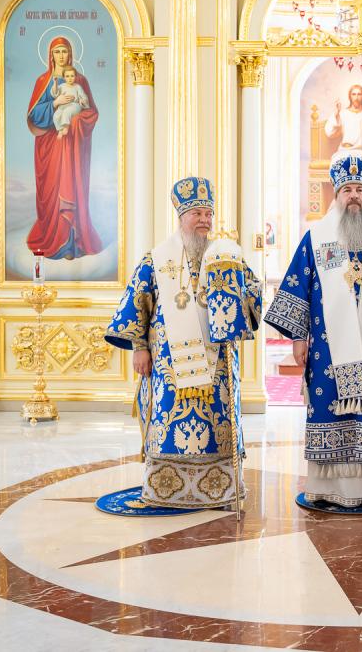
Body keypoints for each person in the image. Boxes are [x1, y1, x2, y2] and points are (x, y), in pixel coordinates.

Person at [105, 178, 262, 508]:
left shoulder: (226, 255)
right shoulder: (156, 259)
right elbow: (137, 302)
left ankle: (220, 489)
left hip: (217, 362)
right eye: (197, 214)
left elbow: (253, 293)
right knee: (167, 421)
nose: (205, 220)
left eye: (208, 214)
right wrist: (140, 348)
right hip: (169, 364)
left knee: (218, 421)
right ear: (181, 216)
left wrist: (239, 295)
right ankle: (166, 490)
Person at [264, 156, 362, 507]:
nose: (354, 195)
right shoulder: (316, 238)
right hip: (326, 347)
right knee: (328, 406)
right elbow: (299, 286)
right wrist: (298, 337)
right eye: (347, 190)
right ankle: (328, 488)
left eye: (360, 189)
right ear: (336, 195)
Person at [26, 36, 102, 260]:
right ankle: (53, 240)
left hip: (72, 146)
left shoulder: (80, 80)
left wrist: (76, 121)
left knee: (71, 188)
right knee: (52, 190)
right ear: (51, 55)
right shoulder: (43, 81)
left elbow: (91, 112)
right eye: (57, 51)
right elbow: (33, 116)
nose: (61, 55)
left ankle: (72, 244)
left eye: (64, 51)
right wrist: (55, 103)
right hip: (50, 145)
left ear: (70, 54)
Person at [50, 66, 90, 137]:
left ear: (75, 76)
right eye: (67, 76)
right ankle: (60, 129)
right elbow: (55, 93)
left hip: (75, 105)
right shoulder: (62, 86)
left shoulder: (77, 87)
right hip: (63, 106)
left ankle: (66, 127)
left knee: (67, 112)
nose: (70, 78)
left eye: (72, 76)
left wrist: (82, 100)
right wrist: (55, 82)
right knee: (56, 116)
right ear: (64, 77)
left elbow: (83, 96)